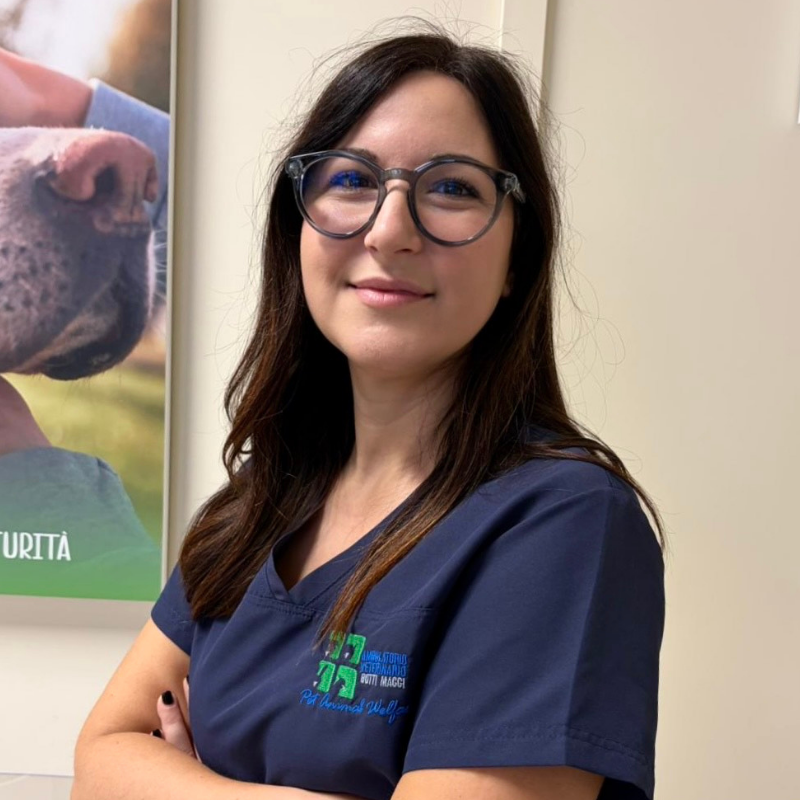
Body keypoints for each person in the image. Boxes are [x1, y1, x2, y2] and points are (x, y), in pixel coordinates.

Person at [72, 25, 667, 800]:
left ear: (517, 258)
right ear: (298, 228)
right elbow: (99, 759)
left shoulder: (564, 523)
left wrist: (184, 782)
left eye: (452, 189)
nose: (389, 232)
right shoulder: (252, 512)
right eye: (351, 179)